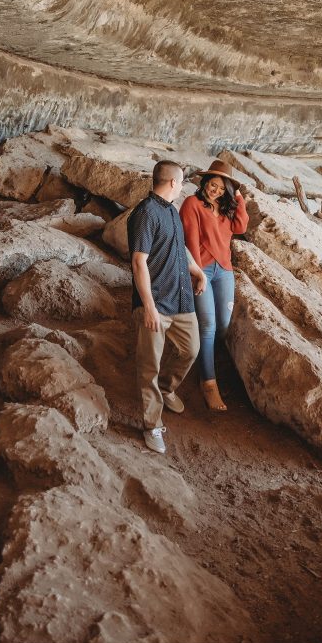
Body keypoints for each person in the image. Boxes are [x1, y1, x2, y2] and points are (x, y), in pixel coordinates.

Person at [128, 160, 207, 454]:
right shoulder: (146, 213)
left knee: (191, 349)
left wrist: (195, 269)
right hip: (157, 302)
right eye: (182, 182)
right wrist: (147, 307)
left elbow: (178, 246)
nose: (183, 186)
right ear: (173, 182)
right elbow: (139, 261)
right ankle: (151, 424)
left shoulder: (171, 211)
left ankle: (167, 388)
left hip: (181, 299)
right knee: (149, 365)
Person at [180, 160, 249, 412]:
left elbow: (241, 226)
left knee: (223, 324)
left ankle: (203, 356)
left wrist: (238, 195)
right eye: (213, 185)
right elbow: (190, 240)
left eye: (222, 188)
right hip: (203, 270)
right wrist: (197, 274)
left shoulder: (227, 207)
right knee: (207, 325)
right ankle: (208, 382)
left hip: (225, 271)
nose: (215, 190)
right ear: (205, 182)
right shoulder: (192, 204)